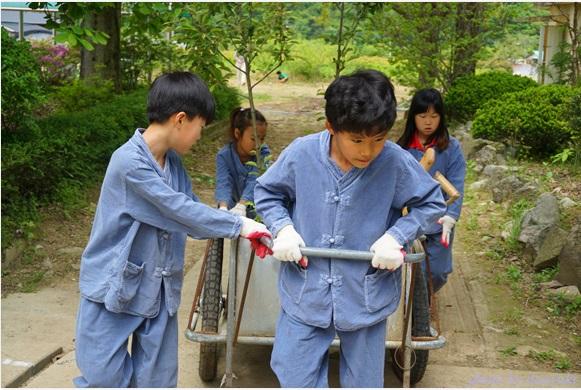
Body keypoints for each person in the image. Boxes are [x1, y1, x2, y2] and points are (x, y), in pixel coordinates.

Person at [73, 72, 272, 388]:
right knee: (103, 377)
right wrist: (240, 224)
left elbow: (194, 217)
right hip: (114, 288)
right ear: (181, 119)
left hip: (160, 289)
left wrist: (246, 229)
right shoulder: (128, 163)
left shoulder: (174, 164)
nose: (199, 136)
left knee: (158, 381)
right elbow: (178, 211)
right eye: (200, 127)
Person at [254, 69, 446, 387]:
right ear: (332, 127)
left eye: (378, 139)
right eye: (356, 140)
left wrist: (396, 236)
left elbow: (432, 204)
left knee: (364, 381)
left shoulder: (395, 162)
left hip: (365, 292)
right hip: (307, 289)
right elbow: (267, 192)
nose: (367, 151)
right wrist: (282, 228)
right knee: (293, 370)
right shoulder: (301, 154)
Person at [397, 88, 466, 293]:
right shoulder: (402, 149)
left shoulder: (451, 148)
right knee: (406, 269)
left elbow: (457, 182)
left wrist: (451, 216)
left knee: (438, 271)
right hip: (409, 219)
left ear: (441, 118)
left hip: (440, 220)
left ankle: (425, 299)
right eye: (423, 116)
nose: (428, 122)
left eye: (434, 116)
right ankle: (417, 309)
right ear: (413, 117)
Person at [215, 107, 271, 218]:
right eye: (254, 139)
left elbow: (253, 181)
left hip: (255, 205)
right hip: (233, 204)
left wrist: (242, 205)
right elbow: (223, 183)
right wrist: (223, 207)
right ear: (237, 133)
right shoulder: (224, 155)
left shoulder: (262, 154)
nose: (258, 144)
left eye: (262, 139)